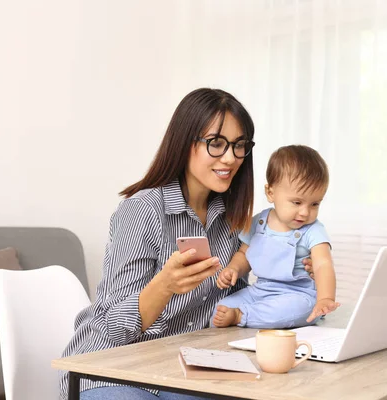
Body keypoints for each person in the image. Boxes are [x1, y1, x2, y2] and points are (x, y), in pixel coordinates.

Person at [60, 88, 260, 400]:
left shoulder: (232, 219)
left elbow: (234, 307)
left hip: (184, 369)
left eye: (239, 146)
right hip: (112, 368)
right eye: (216, 143)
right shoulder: (142, 210)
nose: (231, 158)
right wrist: (164, 285)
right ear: (185, 143)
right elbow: (113, 326)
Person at [212, 145, 340, 329]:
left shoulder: (313, 230)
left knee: (301, 308)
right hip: (260, 291)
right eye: (297, 202)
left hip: (297, 294)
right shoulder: (259, 222)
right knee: (220, 308)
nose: (305, 212)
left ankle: (242, 316)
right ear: (271, 193)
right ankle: (243, 315)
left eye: (314, 204)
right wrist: (233, 269)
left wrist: (325, 298)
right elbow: (244, 254)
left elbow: (323, 265)